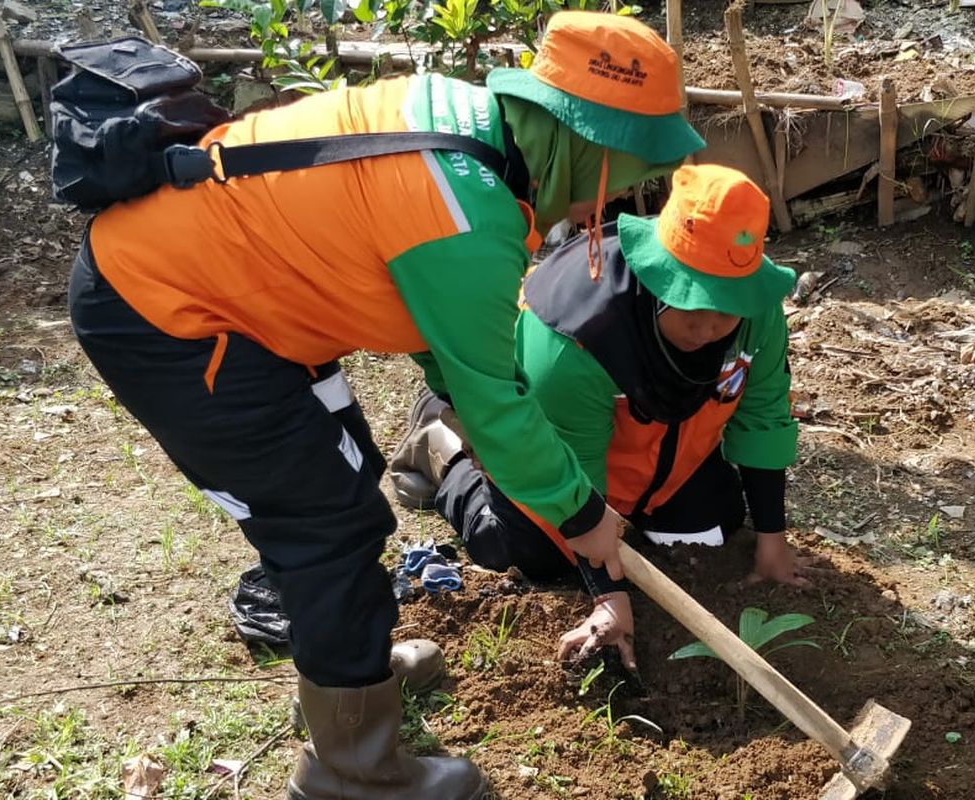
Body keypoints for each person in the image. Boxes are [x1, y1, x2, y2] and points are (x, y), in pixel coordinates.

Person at [67, 11, 703, 800]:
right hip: (168, 316)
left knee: (352, 474)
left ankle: (350, 680)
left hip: (250, 308)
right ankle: (352, 770)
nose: (626, 185)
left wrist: (465, 395)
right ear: (588, 138)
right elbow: (494, 399)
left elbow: (436, 317)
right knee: (323, 526)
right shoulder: (468, 211)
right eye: (632, 159)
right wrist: (584, 516)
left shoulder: (468, 126)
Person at [391, 164, 820, 672]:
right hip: (559, 457)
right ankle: (448, 449)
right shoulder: (578, 338)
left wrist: (772, 540)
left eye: (725, 311)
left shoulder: (757, 312)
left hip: (662, 452)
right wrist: (608, 599)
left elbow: (763, 413)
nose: (707, 327)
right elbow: (575, 466)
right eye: (692, 304)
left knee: (719, 524)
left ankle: (638, 515)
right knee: (530, 554)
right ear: (660, 278)